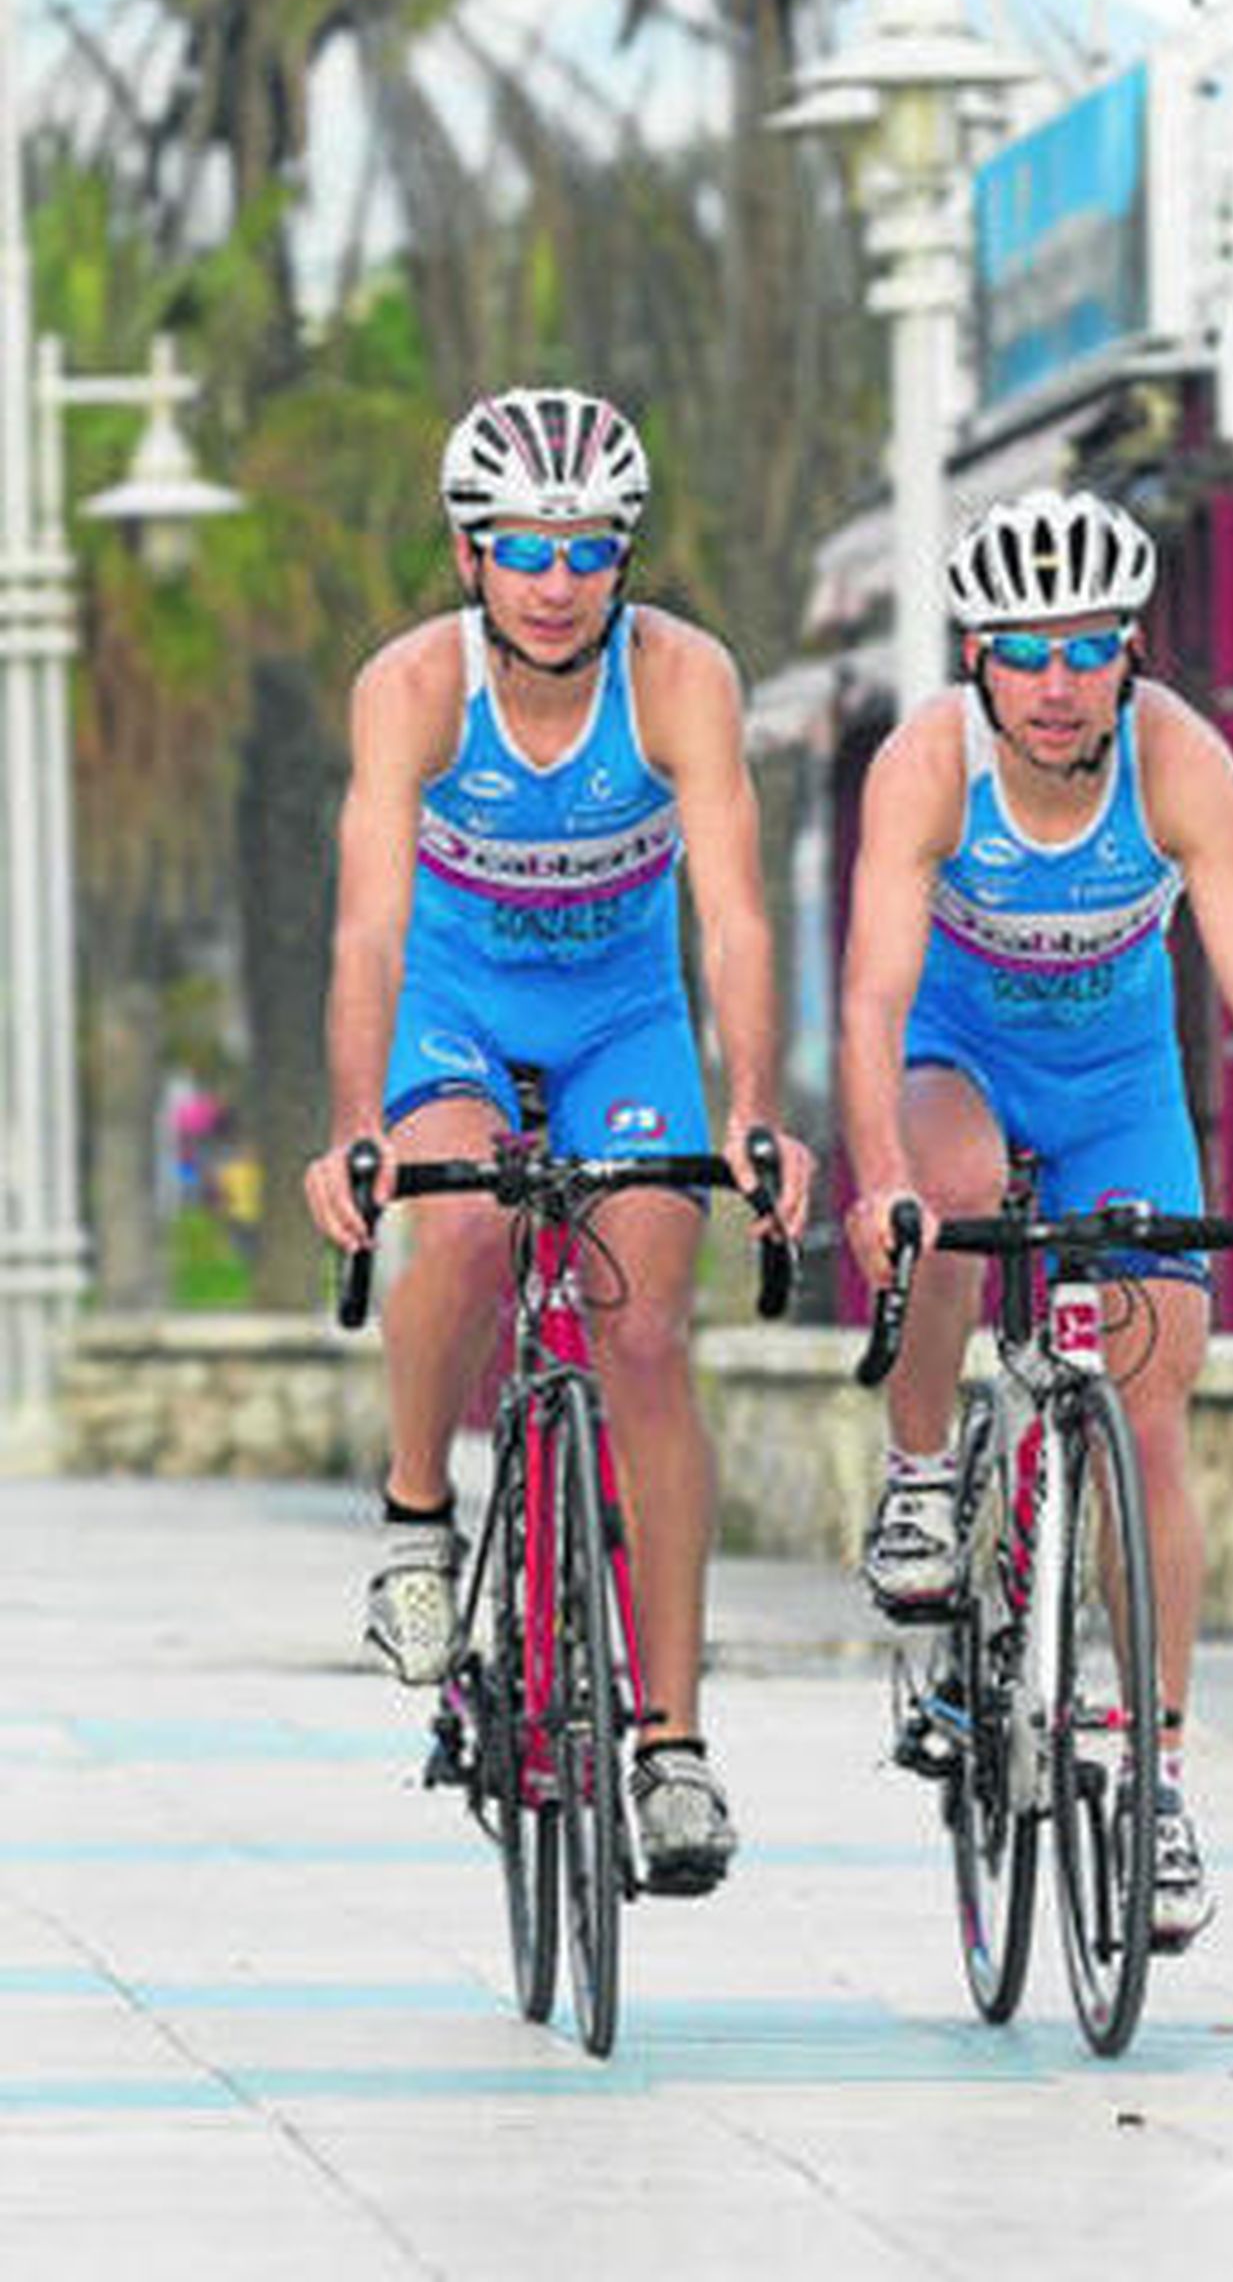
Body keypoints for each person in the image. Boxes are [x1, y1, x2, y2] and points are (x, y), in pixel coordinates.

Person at [304, 384, 812, 1895]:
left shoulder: (680, 680)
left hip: (622, 1022)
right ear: (471, 557)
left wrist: (759, 1106)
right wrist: (351, 1132)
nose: (556, 579)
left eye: (588, 548)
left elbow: (730, 913)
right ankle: (415, 1514)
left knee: (645, 1339)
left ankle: (671, 1748)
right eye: (524, 548)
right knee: (461, 1226)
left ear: (624, 559)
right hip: (455, 1011)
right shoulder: (410, 687)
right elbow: (369, 931)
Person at [839, 485, 1233, 1947]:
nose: (1056, 685)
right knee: (948, 1198)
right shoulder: (927, 767)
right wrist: (874, 1176)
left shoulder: (1183, 762)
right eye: (1023, 651)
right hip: (959, 1061)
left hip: (1120, 1084)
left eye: (1086, 649)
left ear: (1127, 654)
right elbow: (871, 993)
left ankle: (1160, 1775)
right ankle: (925, 1470)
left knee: (1154, 1404)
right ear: (978, 658)